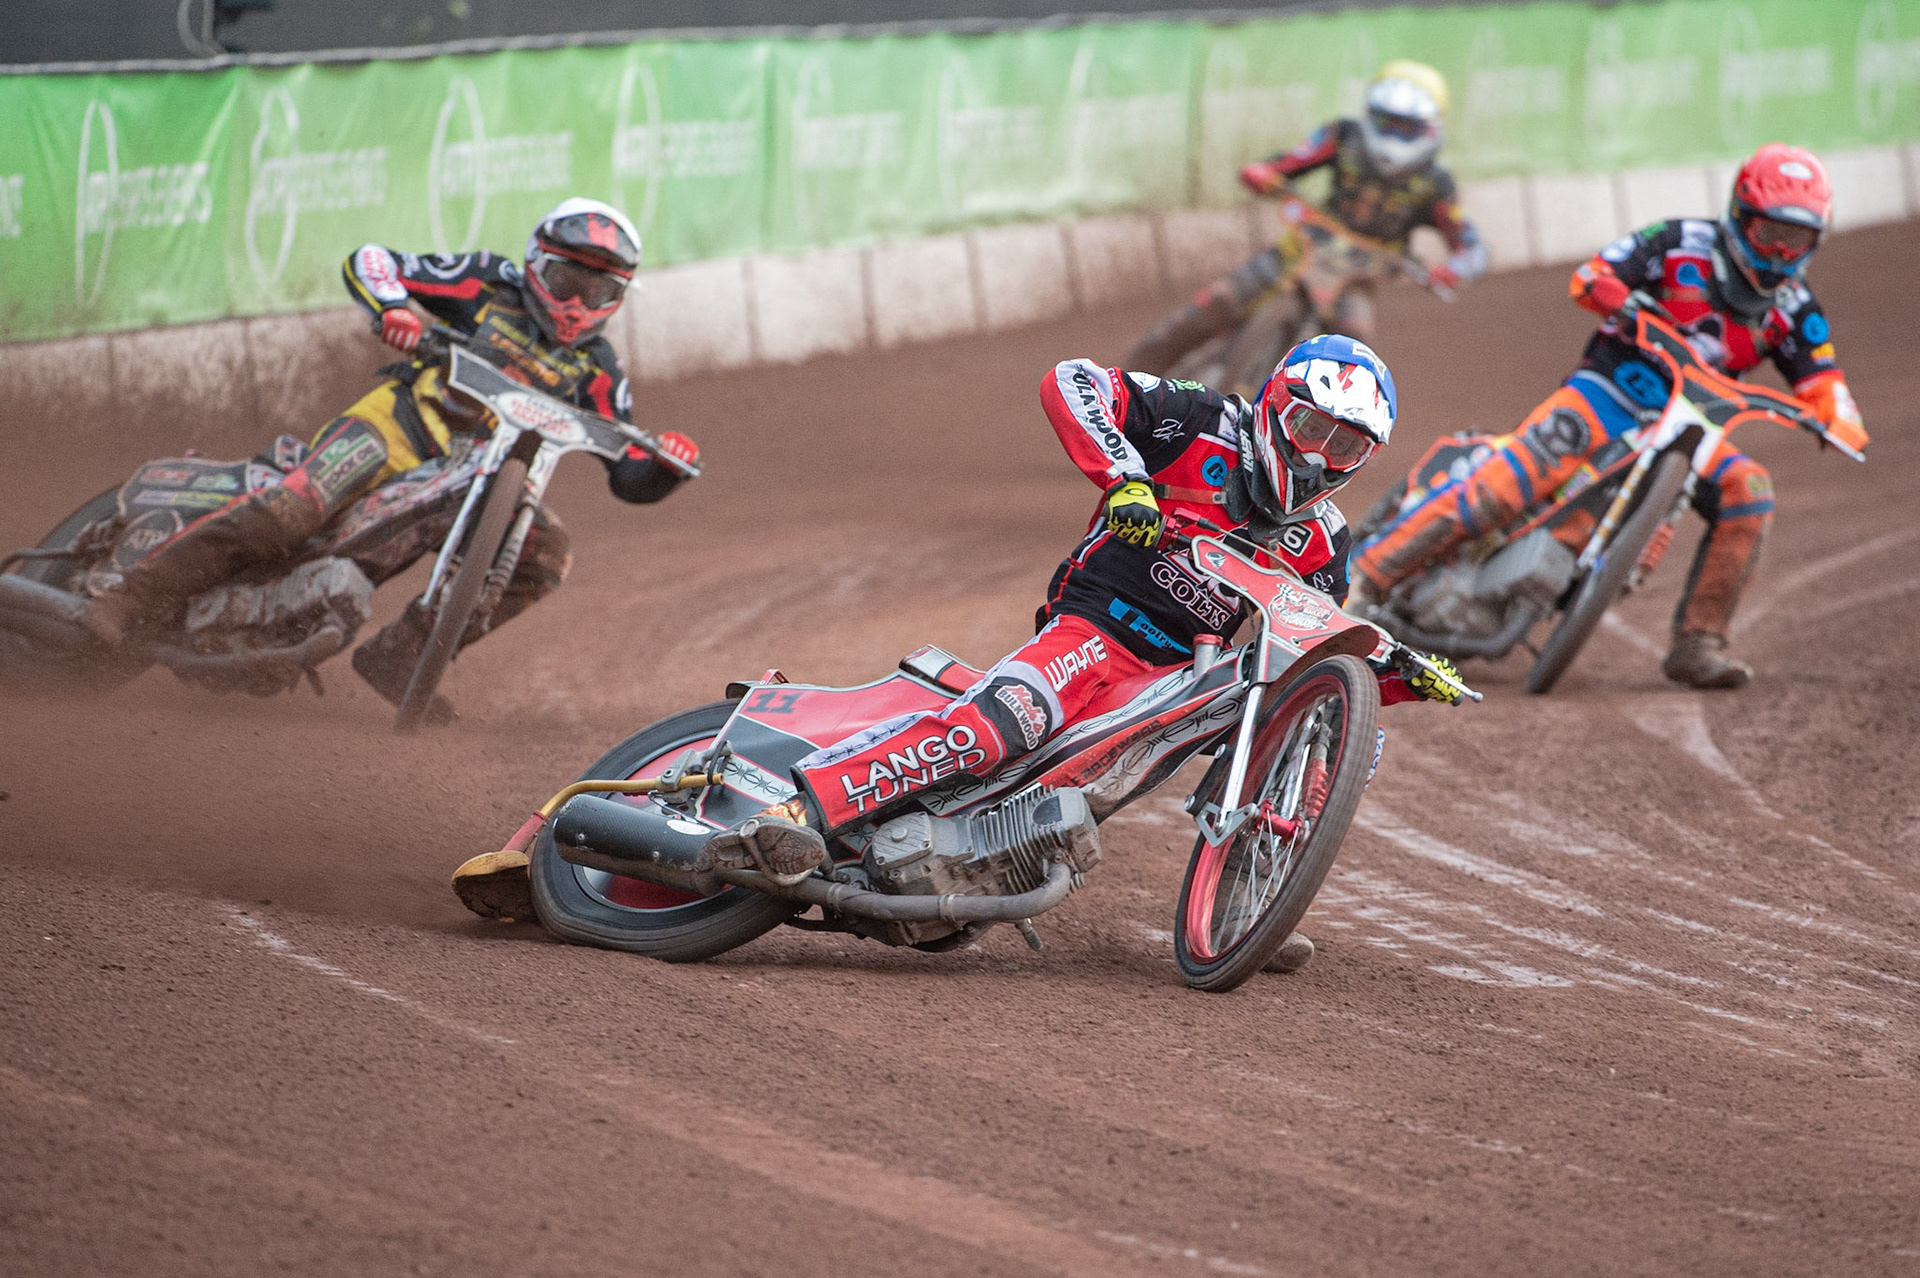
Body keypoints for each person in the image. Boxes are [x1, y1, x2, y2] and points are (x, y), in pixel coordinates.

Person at [708, 336, 1464, 940]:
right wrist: (1125, 477)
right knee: (1010, 721)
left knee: (1332, 737)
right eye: (1309, 428)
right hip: (1096, 627)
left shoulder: (1324, 544)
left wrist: (1394, 676)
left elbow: (1314, 656)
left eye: (1345, 448)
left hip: (1180, 678)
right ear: (1275, 404)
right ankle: (796, 816)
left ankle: (1249, 896)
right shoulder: (1202, 420)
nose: (1315, 458)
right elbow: (1072, 380)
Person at [81, 198, 698, 717]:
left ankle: (403, 656)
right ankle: (130, 597)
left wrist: (664, 466)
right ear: (537, 264)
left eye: (600, 288)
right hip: (399, 427)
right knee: (293, 508)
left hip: (482, 482)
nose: (578, 300)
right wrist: (392, 307)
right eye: (569, 280)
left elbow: (627, 473)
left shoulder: (597, 370)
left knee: (547, 556)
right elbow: (375, 260)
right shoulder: (488, 283)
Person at [1350, 143, 1870, 689]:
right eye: (1772, 234)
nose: (1783, 252)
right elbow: (1594, 274)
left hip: (1696, 425)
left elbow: (1822, 379)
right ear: (1741, 214)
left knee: (1752, 489)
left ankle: (1699, 642)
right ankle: (1366, 577)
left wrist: (1838, 418)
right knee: (1508, 482)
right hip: (1608, 394)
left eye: (1800, 238)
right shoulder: (1675, 243)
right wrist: (1613, 295)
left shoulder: (1795, 308)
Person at [1128, 60, 1487, 374]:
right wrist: (1264, 172)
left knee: (1353, 357)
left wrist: (1453, 269)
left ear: (1428, 127)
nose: (1394, 133)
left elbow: (1470, 245)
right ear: (1370, 114)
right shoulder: (1343, 136)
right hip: (1299, 249)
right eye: (1386, 120)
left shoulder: (1436, 184)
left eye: (1405, 125)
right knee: (1210, 307)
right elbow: (1292, 160)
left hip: (1357, 279)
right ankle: (1121, 390)